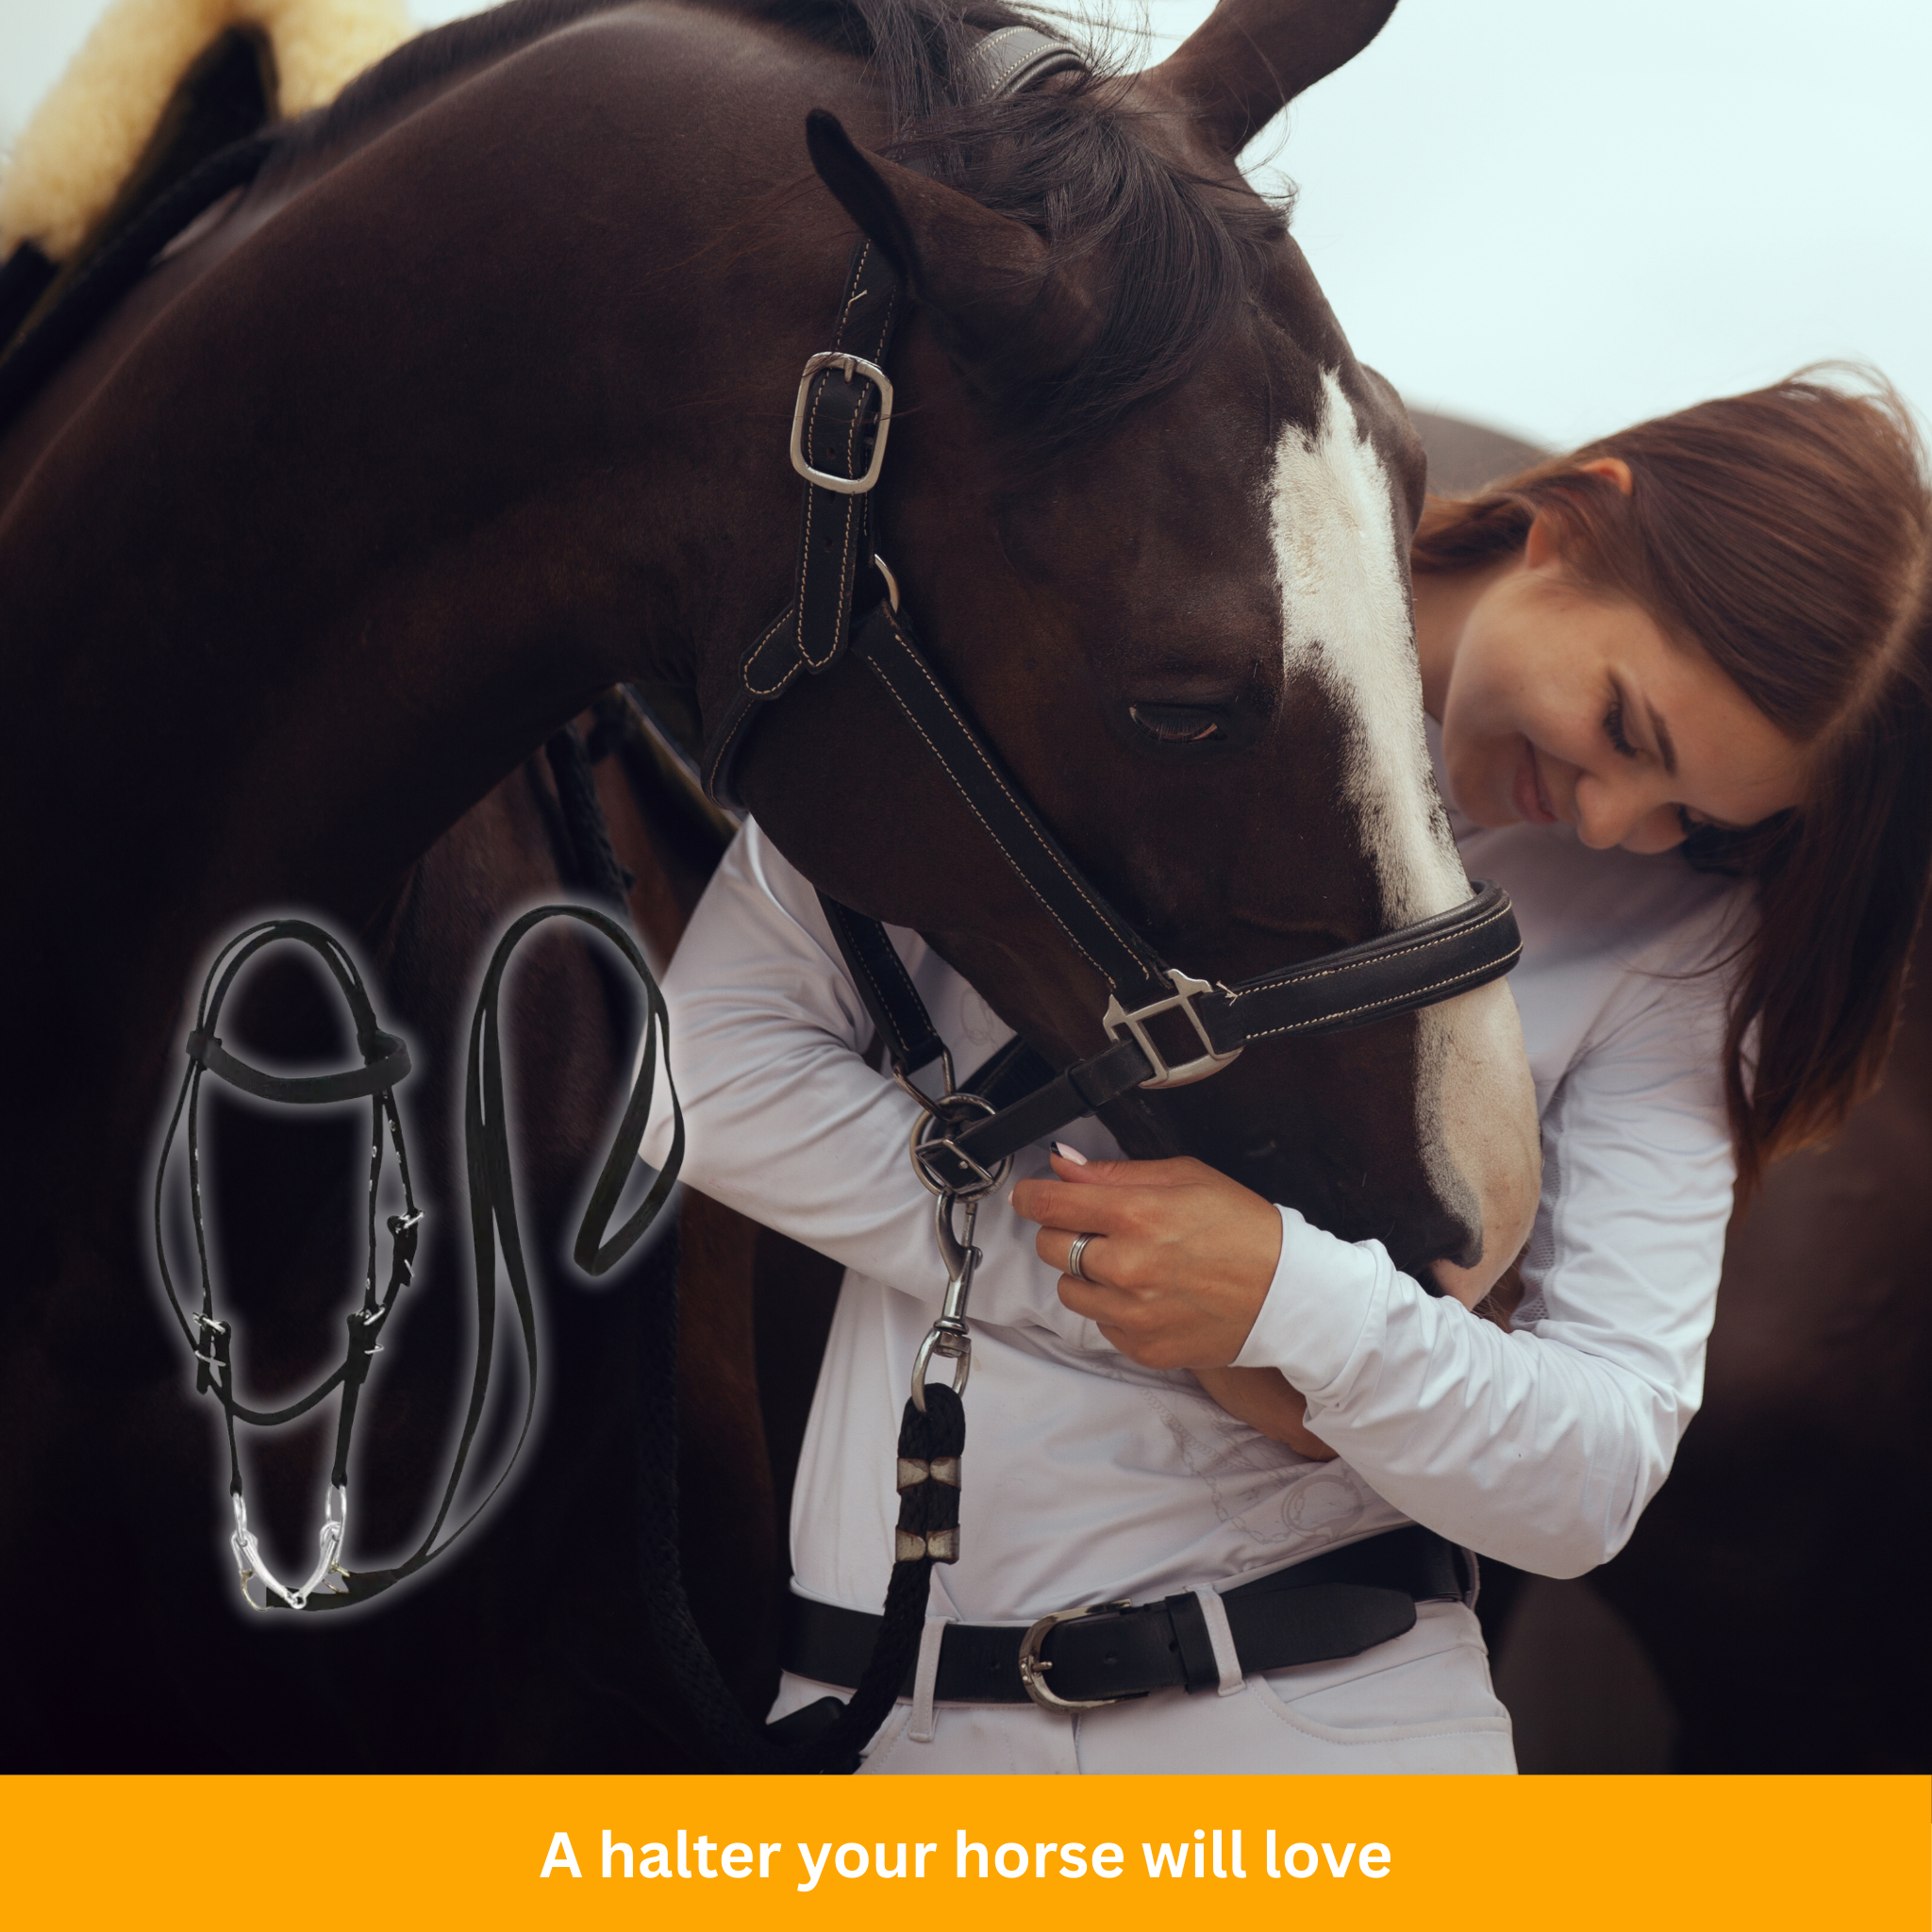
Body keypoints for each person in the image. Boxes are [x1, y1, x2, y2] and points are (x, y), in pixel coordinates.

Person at [643, 373, 1932, 1773]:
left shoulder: (1672, 934)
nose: (1618, 822)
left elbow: (1594, 1474)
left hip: (1322, 1740)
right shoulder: (1084, 612)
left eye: (1693, 816)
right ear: (1574, 521)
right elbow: (703, 1074)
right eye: (1627, 729)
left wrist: (1299, 1301)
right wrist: (1156, 1296)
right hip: (881, 1731)